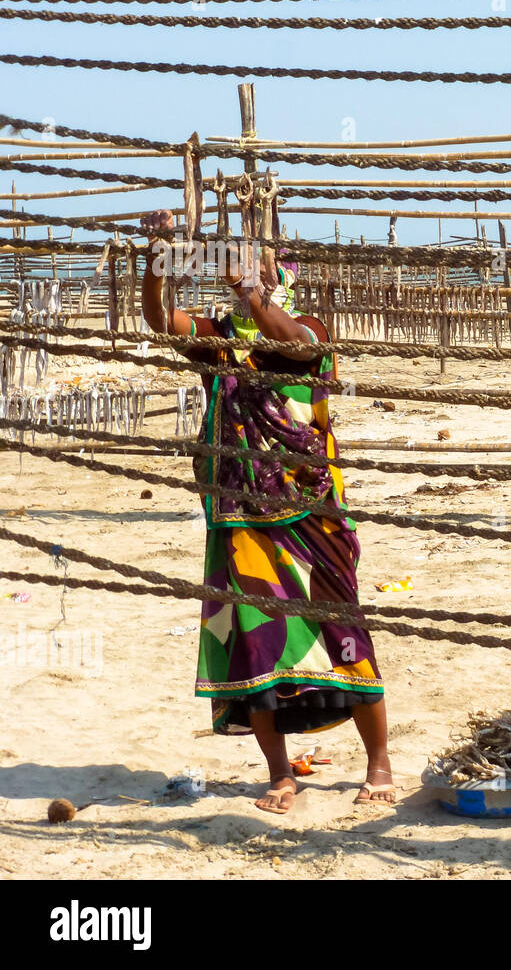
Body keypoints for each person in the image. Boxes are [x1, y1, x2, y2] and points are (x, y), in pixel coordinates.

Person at [140, 210, 394, 814]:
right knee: (256, 640)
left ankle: (379, 761)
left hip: (310, 509)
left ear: (276, 277)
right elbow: (158, 320)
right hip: (241, 512)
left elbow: (291, 346)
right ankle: (281, 773)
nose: (246, 277)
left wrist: (251, 293)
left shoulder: (305, 327)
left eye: (259, 270)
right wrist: (155, 257)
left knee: (344, 631)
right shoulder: (221, 334)